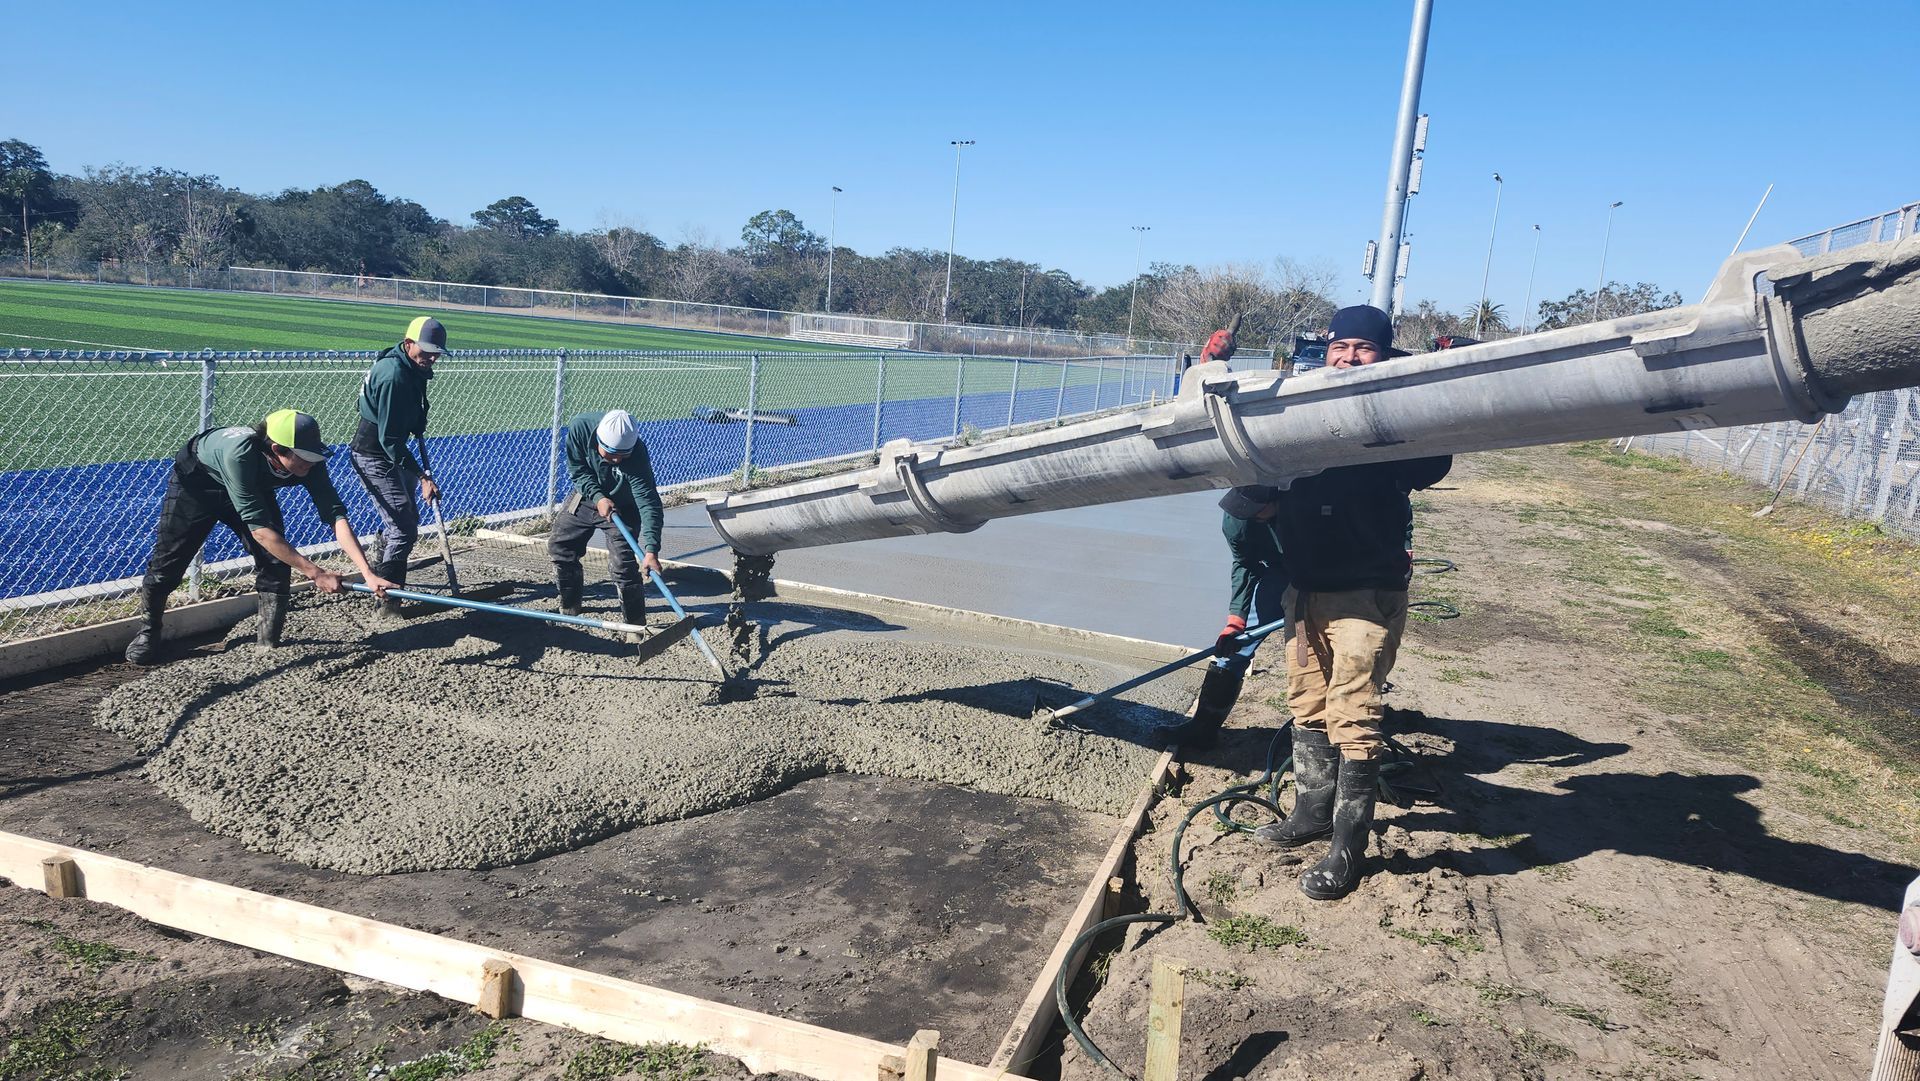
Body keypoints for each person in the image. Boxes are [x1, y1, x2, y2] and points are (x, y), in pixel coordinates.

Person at [1251, 304, 1452, 902]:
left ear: (1385, 355)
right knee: (1307, 700)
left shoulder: (1392, 426)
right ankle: (1311, 811)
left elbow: (1432, 462)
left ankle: (1348, 848)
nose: (1347, 358)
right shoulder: (1300, 416)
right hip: (1307, 590)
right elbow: (1246, 493)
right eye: (1340, 347)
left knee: (1355, 713)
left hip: (1366, 592)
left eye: (1364, 348)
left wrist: (1409, 393)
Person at [124, 410, 396, 665]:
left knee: (276, 562)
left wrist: (367, 574)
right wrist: (316, 573)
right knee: (168, 564)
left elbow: (335, 517)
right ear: (276, 450)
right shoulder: (240, 457)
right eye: (303, 457)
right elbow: (261, 533)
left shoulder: (311, 463)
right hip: (199, 485)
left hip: (253, 488)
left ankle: (267, 643)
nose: (310, 462)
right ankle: (149, 631)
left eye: (313, 455)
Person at [1160, 484, 1287, 749]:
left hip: (1324, 568)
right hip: (1278, 570)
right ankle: (1203, 729)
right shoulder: (1238, 520)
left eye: (1257, 512)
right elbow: (1244, 563)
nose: (1249, 516)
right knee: (1234, 648)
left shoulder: (1305, 505)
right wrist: (1235, 621)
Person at [351, 315, 445, 603]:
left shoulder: (406, 363)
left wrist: (415, 418)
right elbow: (389, 439)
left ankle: (383, 562)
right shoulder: (394, 375)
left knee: (404, 520)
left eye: (435, 353)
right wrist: (423, 477)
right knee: (404, 529)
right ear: (408, 343)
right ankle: (387, 598)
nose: (430, 357)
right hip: (375, 455)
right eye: (425, 350)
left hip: (390, 451)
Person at [550, 409, 664, 629]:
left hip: (625, 506)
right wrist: (599, 496)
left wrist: (651, 550)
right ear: (598, 441)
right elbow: (577, 468)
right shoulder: (580, 428)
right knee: (560, 545)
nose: (616, 459)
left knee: (623, 564)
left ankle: (635, 625)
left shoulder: (637, 455)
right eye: (611, 453)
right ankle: (569, 606)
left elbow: (648, 502)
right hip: (587, 495)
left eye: (623, 455)